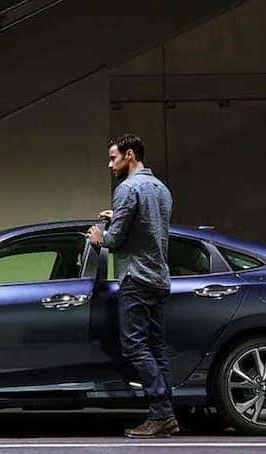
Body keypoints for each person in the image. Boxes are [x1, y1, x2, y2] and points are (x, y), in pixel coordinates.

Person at [87, 134, 177, 438]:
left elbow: (114, 240)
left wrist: (100, 236)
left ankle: (161, 412)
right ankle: (166, 414)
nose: (110, 163)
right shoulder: (161, 189)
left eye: (113, 158)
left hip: (136, 278)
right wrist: (119, 217)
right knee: (157, 348)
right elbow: (149, 228)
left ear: (129, 155)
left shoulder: (126, 189)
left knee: (135, 346)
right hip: (159, 278)